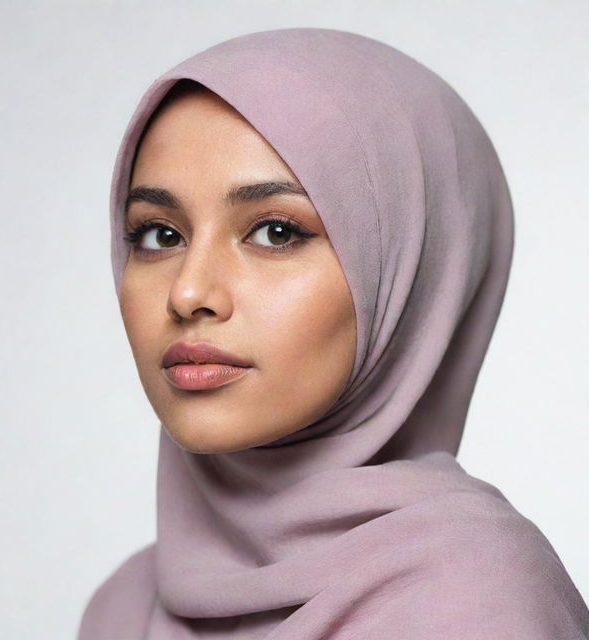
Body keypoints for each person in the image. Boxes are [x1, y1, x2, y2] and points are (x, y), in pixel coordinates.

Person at [77, 28, 589, 639]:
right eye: (160, 234)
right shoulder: (124, 608)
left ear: (412, 271)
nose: (188, 294)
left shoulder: (472, 603)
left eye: (275, 232)